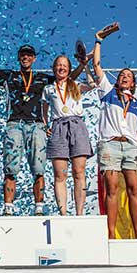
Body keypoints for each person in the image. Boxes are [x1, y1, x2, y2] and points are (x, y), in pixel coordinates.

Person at [0, 31, 85, 216]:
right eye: (22, 55)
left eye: (29, 55)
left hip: (37, 126)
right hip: (14, 125)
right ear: (19, 58)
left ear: (34, 59)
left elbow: (69, 79)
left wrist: (82, 63)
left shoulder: (44, 79)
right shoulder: (9, 76)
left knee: (39, 169)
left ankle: (38, 208)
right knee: (10, 168)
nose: (25, 57)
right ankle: (8, 208)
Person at [92, 23, 137, 238]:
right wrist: (99, 40)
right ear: (117, 80)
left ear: (133, 83)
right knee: (112, 188)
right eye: (122, 74)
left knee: (135, 189)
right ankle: (110, 234)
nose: (125, 76)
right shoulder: (108, 93)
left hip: (131, 147)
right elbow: (97, 66)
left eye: (129, 75)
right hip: (110, 144)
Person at [42, 54, 95, 215]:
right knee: (60, 174)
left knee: (79, 172)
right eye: (58, 65)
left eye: (65, 65)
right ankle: (63, 213)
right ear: (54, 68)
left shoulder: (76, 84)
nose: (61, 68)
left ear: (69, 69)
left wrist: (85, 65)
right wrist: (46, 126)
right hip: (58, 126)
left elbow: (92, 84)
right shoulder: (48, 89)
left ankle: (79, 213)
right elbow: (44, 109)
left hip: (77, 125)